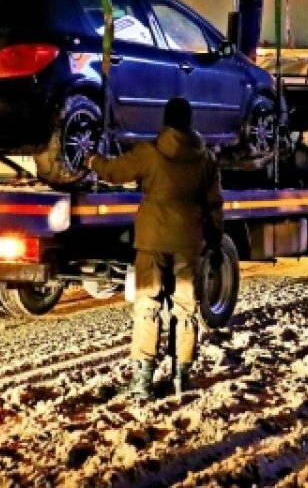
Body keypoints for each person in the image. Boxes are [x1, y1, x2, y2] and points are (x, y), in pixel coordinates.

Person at [87, 97, 224, 399]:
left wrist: (93, 160)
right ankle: (181, 377)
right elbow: (215, 204)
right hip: (189, 240)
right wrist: (214, 238)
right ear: (190, 121)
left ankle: (142, 381)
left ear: (165, 120)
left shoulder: (149, 153)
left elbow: (113, 172)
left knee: (148, 306)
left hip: (152, 240)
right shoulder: (206, 158)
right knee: (186, 308)